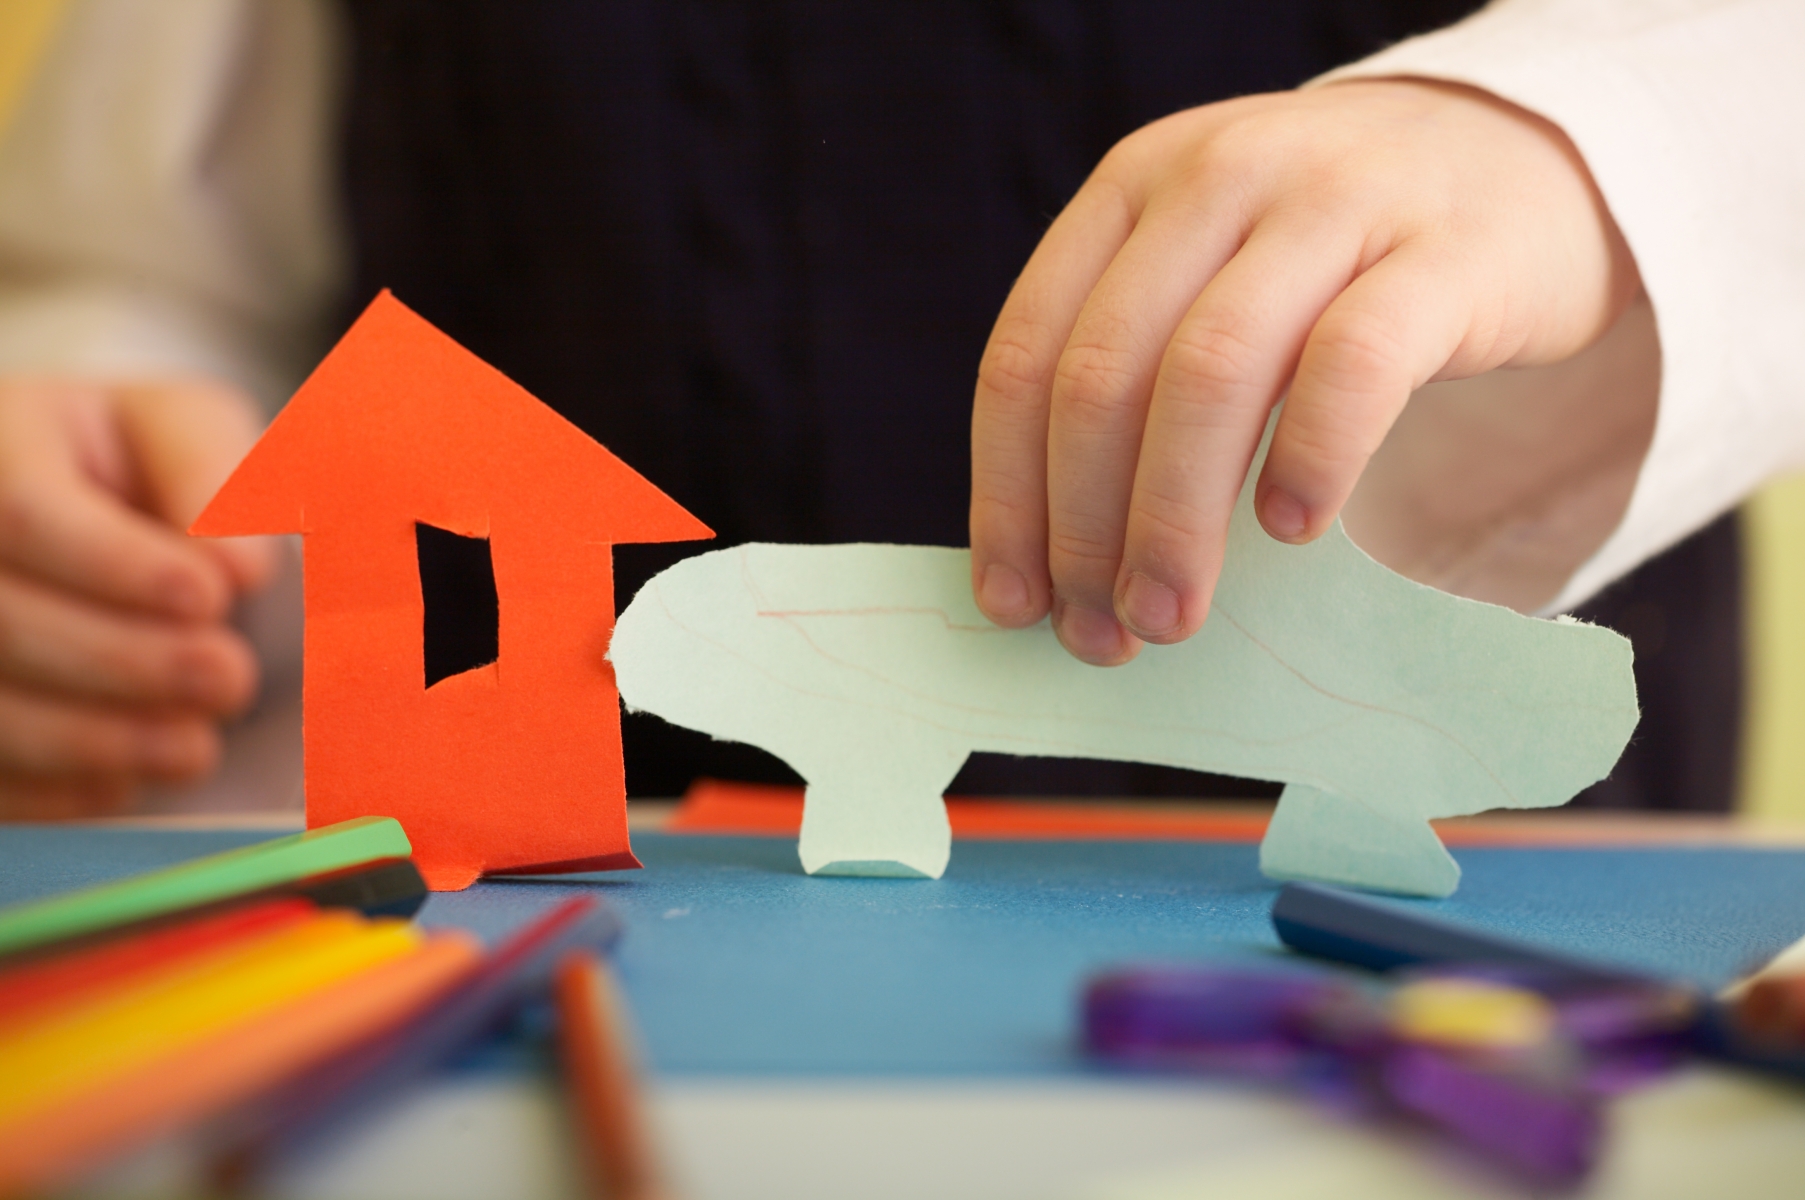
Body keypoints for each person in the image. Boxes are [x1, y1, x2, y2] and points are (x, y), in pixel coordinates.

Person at [0, 0, 1794, 816]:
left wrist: (1585, 141)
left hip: (1483, 913)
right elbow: (150, 256)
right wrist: (91, 430)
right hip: (567, 899)